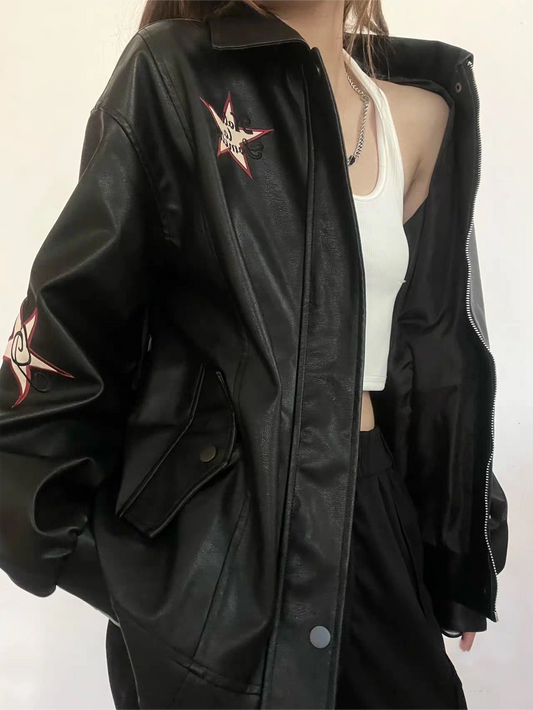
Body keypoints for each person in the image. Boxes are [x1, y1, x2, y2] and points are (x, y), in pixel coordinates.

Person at [0, 1, 509, 709]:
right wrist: (152, 589)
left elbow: (429, 355)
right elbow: (60, 349)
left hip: (371, 511)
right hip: (225, 544)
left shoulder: (423, 115)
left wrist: (459, 534)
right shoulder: (172, 74)